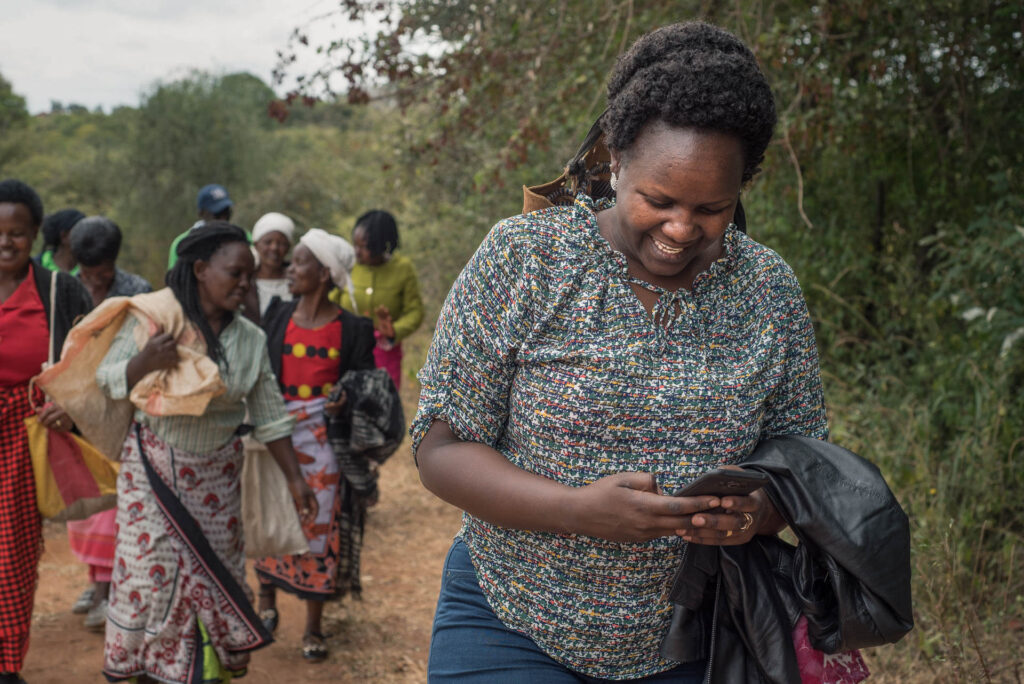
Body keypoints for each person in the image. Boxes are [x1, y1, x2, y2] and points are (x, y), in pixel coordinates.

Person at [412, 22, 831, 682]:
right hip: (511, 620)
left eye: (711, 208)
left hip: (698, 636)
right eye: (658, 201)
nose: (680, 230)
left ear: (744, 183)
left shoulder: (768, 289)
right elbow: (439, 450)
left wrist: (758, 515)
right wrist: (576, 510)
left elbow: (804, 461)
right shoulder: (524, 259)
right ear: (614, 160)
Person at [97, 222, 317, 683]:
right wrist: (144, 363)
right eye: (235, 273)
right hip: (150, 473)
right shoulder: (157, 320)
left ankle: (202, 674)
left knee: (212, 580)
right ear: (200, 269)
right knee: (150, 577)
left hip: (218, 481)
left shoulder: (250, 340)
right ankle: (147, 670)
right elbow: (107, 378)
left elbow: (270, 414)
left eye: (250, 276)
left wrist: (297, 481)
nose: (245, 284)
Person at [253, 228, 376, 661]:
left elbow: (368, 388)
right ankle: (265, 600)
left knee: (318, 525)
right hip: (277, 434)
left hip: (324, 443)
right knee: (273, 511)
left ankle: (313, 627)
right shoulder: (277, 315)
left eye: (300, 262)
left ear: (324, 274)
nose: (291, 268)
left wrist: (345, 405)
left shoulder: (354, 329)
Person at [0, 179, 92, 684]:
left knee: (12, 556)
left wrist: (71, 410)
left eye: (17, 232)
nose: (5, 242)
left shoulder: (59, 289)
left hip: (23, 434)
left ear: (36, 234)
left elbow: (91, 363)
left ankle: (7, 664)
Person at [64, 215, 152, 630]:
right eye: (86, 273)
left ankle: (108, 591)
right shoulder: (65, 288)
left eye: (100, 274)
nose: (93, 283)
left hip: (123, 411)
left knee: (118, 504)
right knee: (87, 502)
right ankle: (96, 580)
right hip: (75, 412)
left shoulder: (138, 294)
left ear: (113, 265)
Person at [337, 209, 423, 389]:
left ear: (382, 246)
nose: (357, 252)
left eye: (364, 247)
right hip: (345, 347)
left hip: (384, 352)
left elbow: (415, 311)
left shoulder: (403, 269)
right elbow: (331, 299)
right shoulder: (348, 264)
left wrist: (394, 331)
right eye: (355, 245)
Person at [166, 183, 234, 270]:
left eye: (226, 212)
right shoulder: (183, 243)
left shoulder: (243, 237)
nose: (223, 219)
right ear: (201, 213)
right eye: (217, 214)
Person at [247, 211, 296, 317]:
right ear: (256, 245)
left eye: (281, 243)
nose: (274, 248)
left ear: (288, 247)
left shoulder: (297, 281)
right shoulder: (245, 282)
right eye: (268, 242)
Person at [35, 207, 85, 274]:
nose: (86, 236)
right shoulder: (37, 266)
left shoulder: (87, 269)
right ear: (64, 236)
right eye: (80, 231)